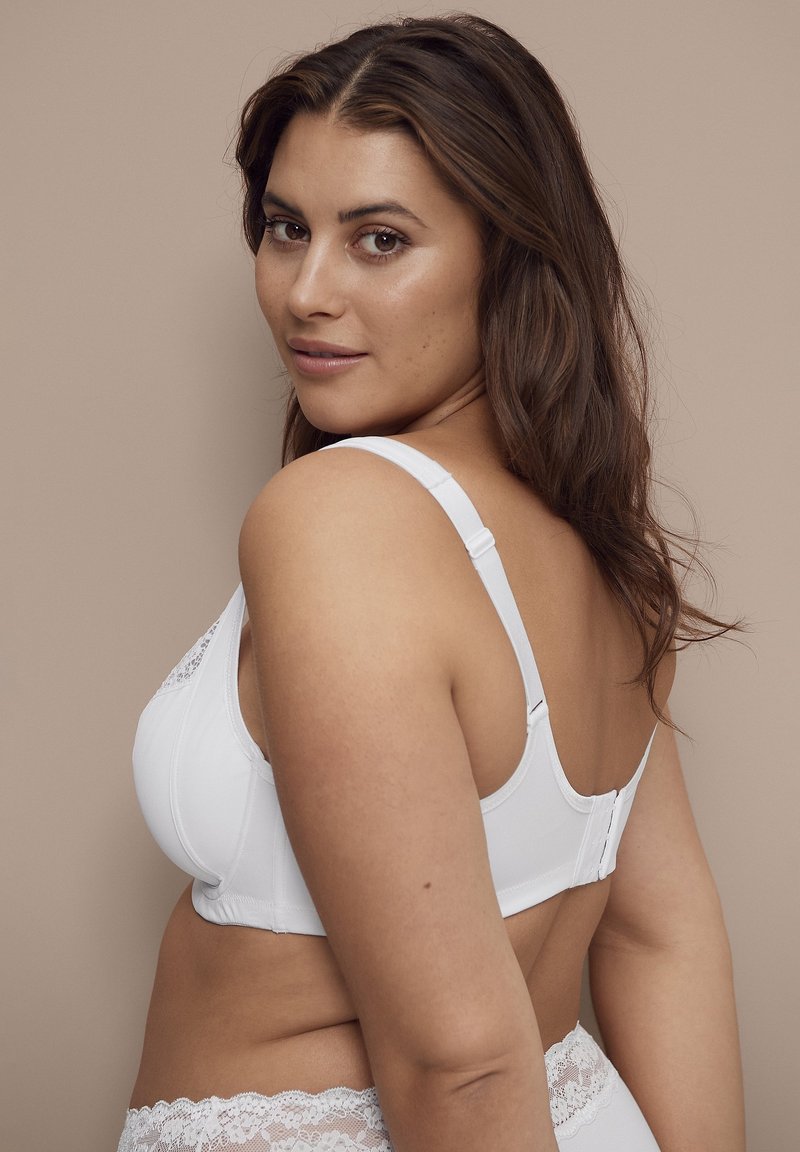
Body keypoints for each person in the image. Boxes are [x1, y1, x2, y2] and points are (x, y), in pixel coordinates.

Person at [117, 14, 745, 1151]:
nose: (306, 291)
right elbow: (659, 937)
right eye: (284, 228)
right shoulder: (600, 547)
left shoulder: (339, 517)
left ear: (509, 255)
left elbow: (459, 1065)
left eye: (379, 239)